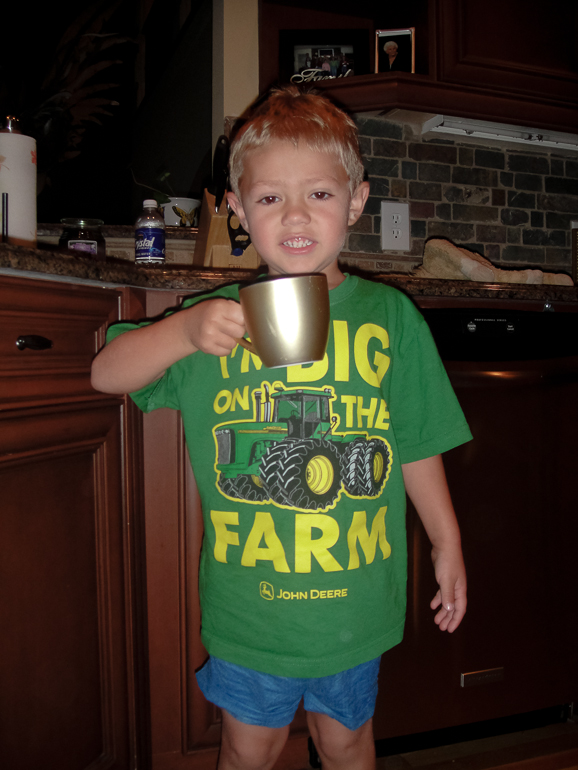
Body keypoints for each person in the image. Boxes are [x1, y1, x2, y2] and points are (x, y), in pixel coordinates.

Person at [91, 86, 471, 770]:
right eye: (269, 198)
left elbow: (416, 443)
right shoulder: (212, 323)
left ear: (356, 202)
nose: (295, 215)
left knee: (348, 742)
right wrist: (181, 329)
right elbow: (105, 375)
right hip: (252, 614)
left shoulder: (391, 319)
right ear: (238, 210)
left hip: (354, 607)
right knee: (248, 749)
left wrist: (447, 542)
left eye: (320, 195)